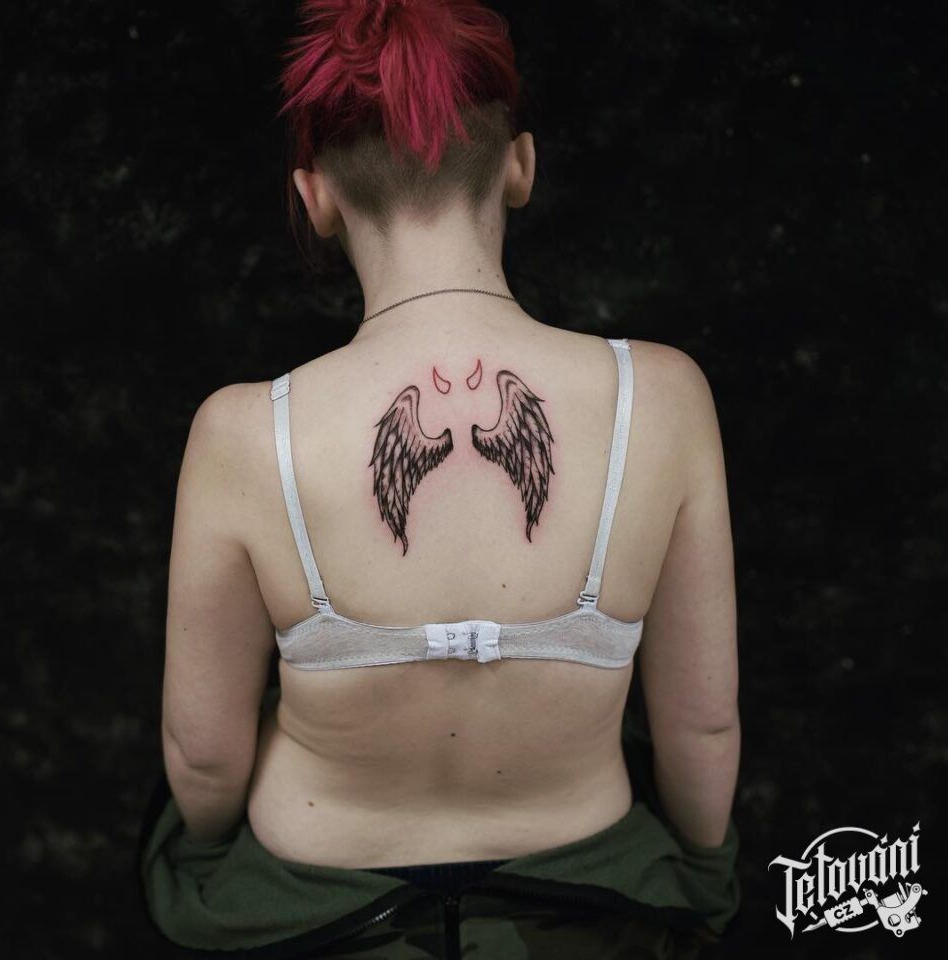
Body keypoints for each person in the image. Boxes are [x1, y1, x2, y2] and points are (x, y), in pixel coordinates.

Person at [138, 1, 741, 956]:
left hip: (320, 917)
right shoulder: (659, 400)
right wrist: (699, 874)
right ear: (520, 166)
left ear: (315, 198)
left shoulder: (243, 435)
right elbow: (702, 730)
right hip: (581, 909)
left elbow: (203, 757)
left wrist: (208, 858)